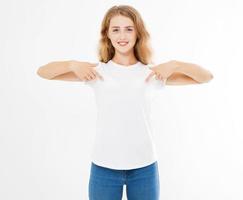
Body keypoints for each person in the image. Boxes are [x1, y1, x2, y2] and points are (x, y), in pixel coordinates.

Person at [37, 4, 213, 200]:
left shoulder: (152, 74)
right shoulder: (96, 72)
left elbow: (206, 77)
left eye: (129, 29)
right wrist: (71, 64)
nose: (122, 36)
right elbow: (44, 72)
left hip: (144, 168)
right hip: (104, 167)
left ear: (138, 33)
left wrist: (175, 64)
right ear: (108, 35)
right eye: (116, 29)